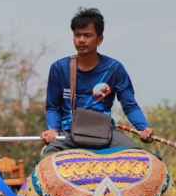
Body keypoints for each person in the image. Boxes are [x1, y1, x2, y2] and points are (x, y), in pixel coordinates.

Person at [41, 8, 153, 153]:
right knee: (48, 159)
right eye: (77, 35)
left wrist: (143, 128)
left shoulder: (114, 68)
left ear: (100, 39)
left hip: (105, 133)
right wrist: (53, 130)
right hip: (69, 135)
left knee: (139, 158)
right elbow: (53, 107)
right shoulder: (59, 68)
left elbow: (129, 105)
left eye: (87, 35)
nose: (81, 40)